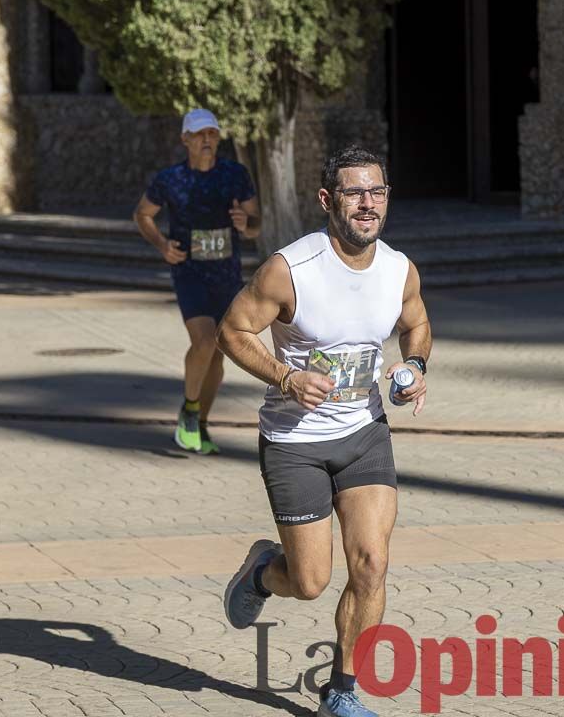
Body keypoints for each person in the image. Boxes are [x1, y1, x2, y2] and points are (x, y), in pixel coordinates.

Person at [216, 146, 431, 717]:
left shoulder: (398, 268)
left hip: (364, 433)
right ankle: (264, 572)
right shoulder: (290, 269)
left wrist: (415, 369)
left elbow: (417, 323)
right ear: (327, 199)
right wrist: (286, 377)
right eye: (356, 192)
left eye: (378, 192)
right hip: (295, 445)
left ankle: (342, 689)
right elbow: (232, 331)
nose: (368, 204)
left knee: (371, 563)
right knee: (310, 581)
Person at [134, 109, 260, 454]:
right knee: (203, 341)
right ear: (185, 139)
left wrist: (244, 224)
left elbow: (256, 224)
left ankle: (199, 425)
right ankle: (190, 410)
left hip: (226, 275)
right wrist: (162, 245)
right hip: (189, 272)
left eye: (213, 134)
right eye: (200, 134)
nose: (207, 140)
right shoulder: (170, 179)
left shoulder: (235, 174)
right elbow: (142, 214)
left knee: (218, 356)